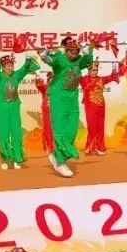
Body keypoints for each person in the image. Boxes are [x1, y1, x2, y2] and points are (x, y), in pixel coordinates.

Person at [39, 36, 94, 177]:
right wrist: (44, 56)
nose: (74, 54)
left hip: (72, 101)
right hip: (58, 100)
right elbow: (50, 61)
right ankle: (60, 162)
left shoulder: (78, 61)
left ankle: (57, 156)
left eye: (76, 51)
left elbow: (88, 61)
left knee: (72, 130)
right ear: (66, 50)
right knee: (60, 132)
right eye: (71, 51)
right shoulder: (60, 58)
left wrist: (87, 51)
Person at [0, 52, 40, 169]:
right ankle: (4, 159)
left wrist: (28, 60)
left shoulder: (16, 75)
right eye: (8, 66)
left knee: (16, 133)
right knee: (3, 133)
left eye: (12, 65)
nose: (11, 68)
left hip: (14, 107)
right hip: (2, 109)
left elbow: (24, 69)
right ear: (3, 67)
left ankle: (16, 158)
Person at [79, 61, 122, 156]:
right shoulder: (84, 79)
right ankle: (91, 148)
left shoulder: (101, 79)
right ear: (89, 70)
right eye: (93, 70)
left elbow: (111, 77)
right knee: (92, 127)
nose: (95, 72)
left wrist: (114, 68)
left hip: (101, 106)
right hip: (90, 107)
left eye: (96, 70)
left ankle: (99, 147)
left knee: (100, 127)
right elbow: (75, 76)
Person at [35, 71, 54, 154]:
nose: (52, 80)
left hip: (57, 111)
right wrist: (37, 76)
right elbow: (39, 85)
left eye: (53, 78)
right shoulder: (45, 87)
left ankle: (57, 146)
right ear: (48, 79)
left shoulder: (58, 88)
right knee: (48, 128)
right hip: (46, 110)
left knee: (56, 129)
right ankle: (49, 147)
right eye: (50, 78)